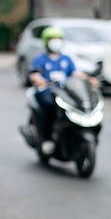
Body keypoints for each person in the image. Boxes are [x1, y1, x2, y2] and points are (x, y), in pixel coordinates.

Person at [27, 26, 98, 154]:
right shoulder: (40, 58)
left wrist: (89, 79)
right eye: (53, 39)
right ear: (46, 41)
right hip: (47, 91)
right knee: (49, 106)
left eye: (58, 39)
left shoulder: (66, 59)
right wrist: (39, 80)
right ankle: (46, 138)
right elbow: (33, 73)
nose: (56, 42)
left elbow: (75, 74)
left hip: (63, 92)